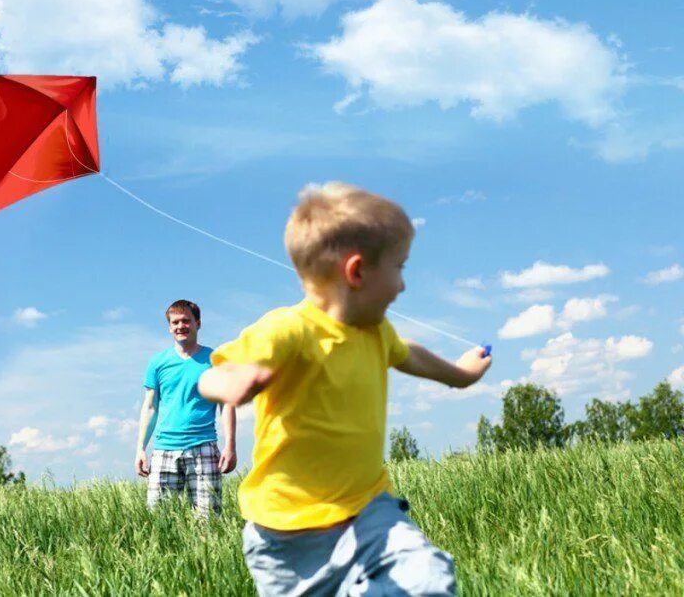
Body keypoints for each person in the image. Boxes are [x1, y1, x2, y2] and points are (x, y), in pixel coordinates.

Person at [198, 183, 491, 596]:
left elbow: (414, 356)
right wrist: (231, 382)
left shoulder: (376, 331)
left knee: (426, 580)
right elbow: (209, 376)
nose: (403, 286)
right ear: (357, 272)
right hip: (287, 539)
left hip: (370, 513)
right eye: (400, 267)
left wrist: (462, 373)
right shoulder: (289, 329)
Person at [135, 299, 237, 518]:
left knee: (208, 520)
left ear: (197, 323)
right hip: (164, 449)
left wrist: (230, 446)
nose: (180, 326)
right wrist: (141, 448)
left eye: (186, 321)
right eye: (175, 322)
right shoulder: (158, 362)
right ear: (169, 327)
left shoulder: (215, 360)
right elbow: (150, 407)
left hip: (203, 447)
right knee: (159, 521)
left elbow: (227, 405)